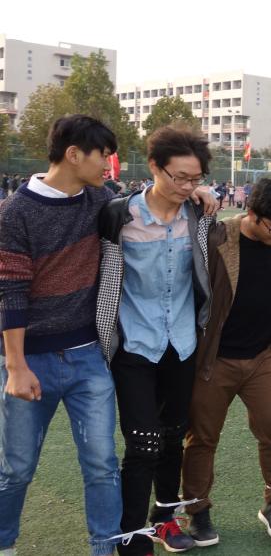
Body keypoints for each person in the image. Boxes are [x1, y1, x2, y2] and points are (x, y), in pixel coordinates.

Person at [0, 115, 122, 556]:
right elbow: (10, 291)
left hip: (89, 357)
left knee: (102, 464)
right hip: (30, 360)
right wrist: (16, 367)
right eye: (103, 155)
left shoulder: (101, 198)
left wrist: (199, 193)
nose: (108, 164)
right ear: (73, 154)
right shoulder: (14, 212)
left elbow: (149, 204)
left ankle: (104, 548)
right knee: (16, 468)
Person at [96, 125, 214, 556]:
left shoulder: (198, 214)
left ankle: (164, 518)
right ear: (153, 167)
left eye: (195, 179)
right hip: (134, 346)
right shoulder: (118, 216)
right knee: (143, 443)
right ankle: (132, 534)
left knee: (173, 435)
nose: (186, 186)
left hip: (182, 343)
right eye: (179, 177)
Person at [180, 176, 271, 544]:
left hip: (261, 356)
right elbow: (175, 218)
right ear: (252, 212)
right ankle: (198, 511)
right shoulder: (218, 236)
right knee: (202, 437)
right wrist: (194, 192)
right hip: (214, 359)